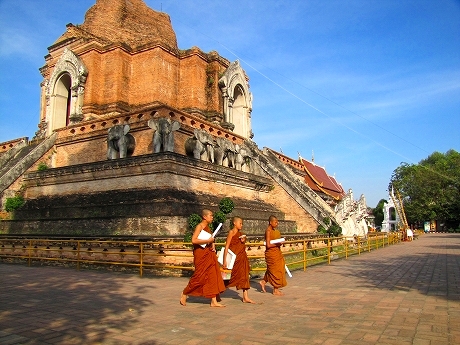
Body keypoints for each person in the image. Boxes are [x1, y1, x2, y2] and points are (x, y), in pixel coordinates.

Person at [180, 209, 226, 307]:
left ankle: (213, 301)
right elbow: (194, 240)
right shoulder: (199, 226)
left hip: (209, 254)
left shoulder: (208, 228)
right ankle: (185, 293)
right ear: (205, 217)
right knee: (199, 276)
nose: (212, 217)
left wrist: (213, 244)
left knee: (212, 276)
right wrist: (208, 240)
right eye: (210, 215)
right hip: (201, 254)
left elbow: (210, 238)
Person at [222, 216, 256, 304]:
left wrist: (243, 241)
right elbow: (227, 246)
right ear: (234, 223)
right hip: (234, 260)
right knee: (228, 278)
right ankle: (216, 293)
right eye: (240, 223)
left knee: (244, 276)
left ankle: (245, 297)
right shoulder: (231, 232)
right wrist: (224, 260)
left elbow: (241, 247)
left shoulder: (241, 234)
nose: (241, 225)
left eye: (242, 223)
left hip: (242, 259)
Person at [260, 215, 287, 296]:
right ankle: (275, 289)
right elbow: (268, 245)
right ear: (270, 222)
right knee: (275, 271)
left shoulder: (275, 231)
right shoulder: (268, 231)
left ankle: (263, 281)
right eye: (275, 222)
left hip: (276, 253)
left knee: (274, 269)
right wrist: (277, 244)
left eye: (277, 222)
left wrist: (279, 243)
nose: (277, 223)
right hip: (271, 253)